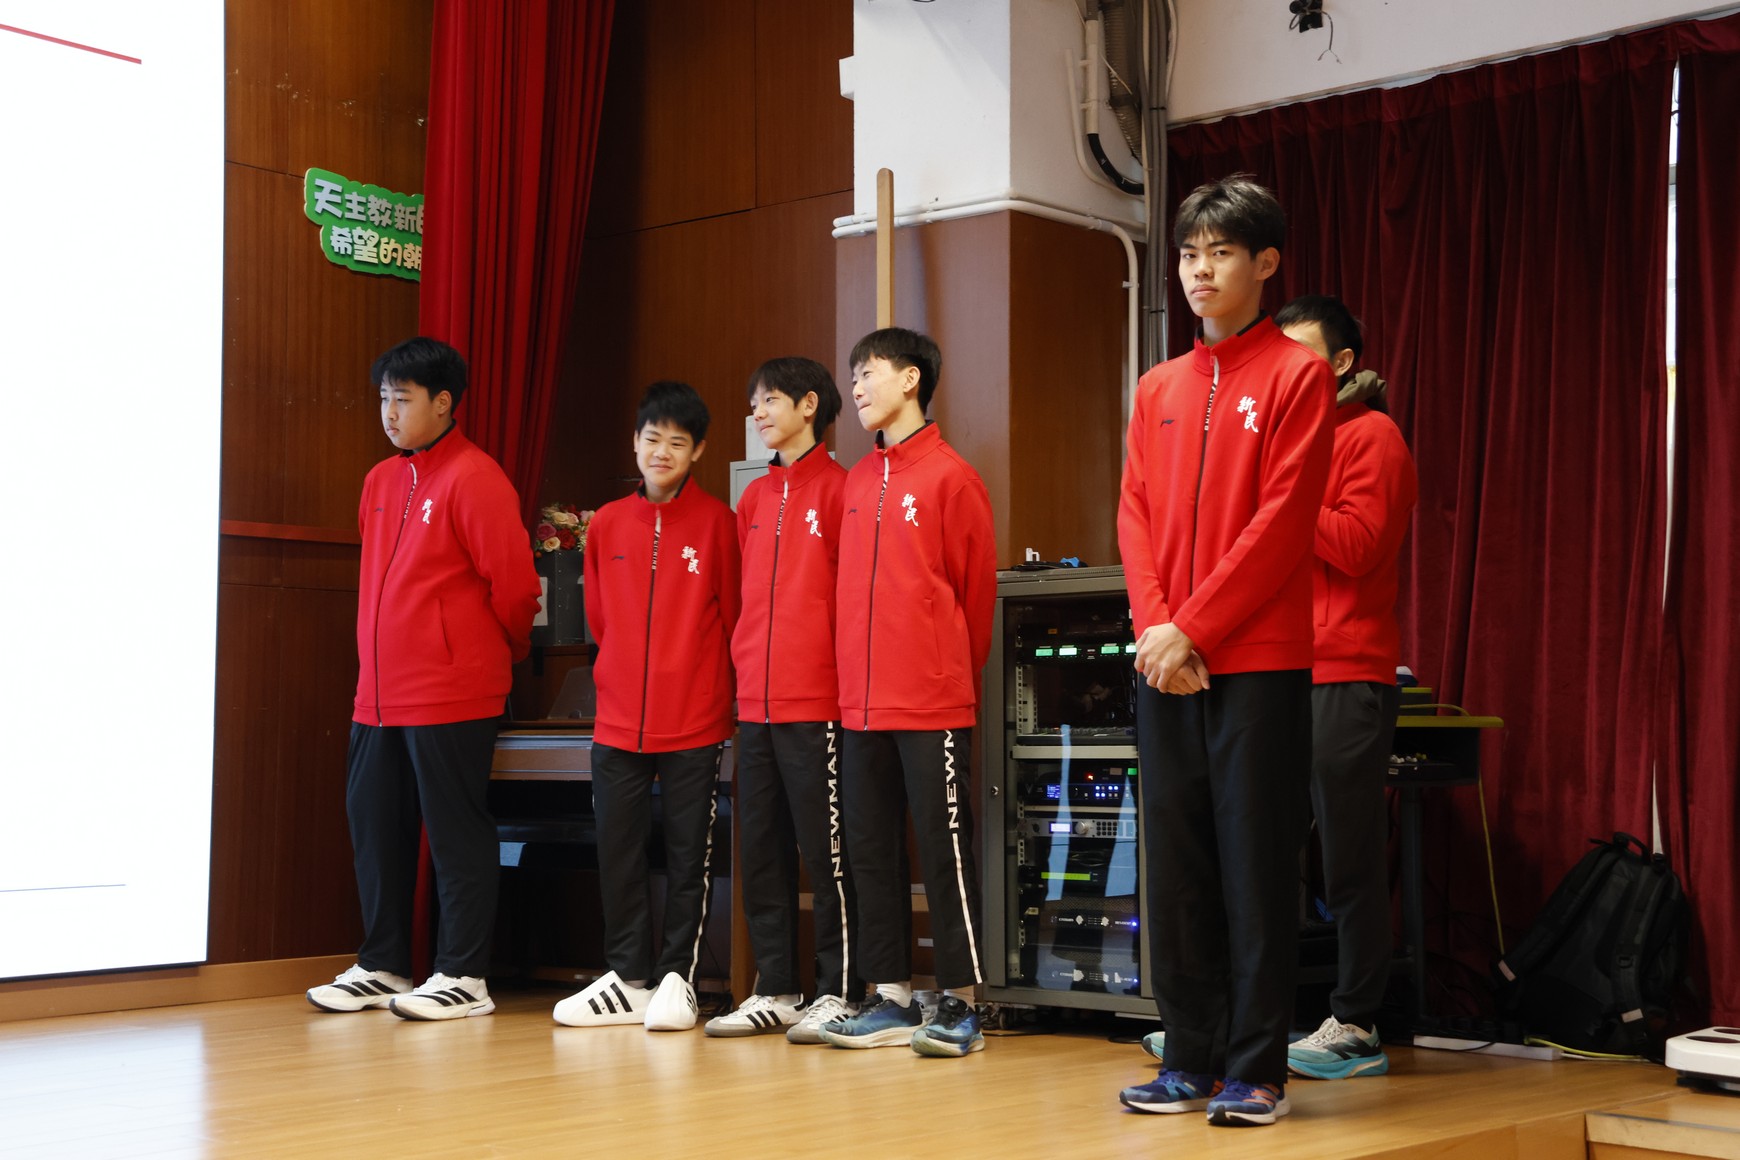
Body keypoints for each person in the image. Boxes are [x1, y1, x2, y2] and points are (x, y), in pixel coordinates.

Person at [1115, 176, 1334, 1126]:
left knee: (1255, 867)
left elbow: (1283, 522)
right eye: (1189, 254)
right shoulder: (1158, 386)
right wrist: (1158, 628)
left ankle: (1256, 1068)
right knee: (1178, 867)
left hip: (1258, 660)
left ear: (1266, 263)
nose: (1199, 271)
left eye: (1221, 253)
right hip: (1167, 660)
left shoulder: (1297, 375)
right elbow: (1133, 513)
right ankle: (1188, 1057)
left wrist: (1193, 627)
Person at [306, 336, 542, 1021]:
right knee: (375, 827)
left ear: (443, 403)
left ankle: (464, 976)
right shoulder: (380, 481)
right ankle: (383, 964)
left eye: (402, 399)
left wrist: (491, 652)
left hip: (452, 690)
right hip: (378, 696)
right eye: (383, 397)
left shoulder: (476, 477)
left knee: (455, 831)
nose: (389, 412)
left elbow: (516, 588)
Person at [816, 327, 998, 1059]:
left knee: (945, 852)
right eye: (854, 375)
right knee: (870, 851)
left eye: (870, 372)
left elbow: (974, 596)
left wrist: (948, 675)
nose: (857, 387)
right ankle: (889, 995)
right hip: (860, 704)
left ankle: (963, 1002)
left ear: (912, 379)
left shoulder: (953, 477)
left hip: (931, 699)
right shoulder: (858, 480)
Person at [553, 381, 741, 1032]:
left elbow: (734, 617)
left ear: (698, 451)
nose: (662, 452)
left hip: (695, 718)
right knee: (619, 852)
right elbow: (600, 619)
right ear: (635, 442)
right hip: (617, 720)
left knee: (690, 858)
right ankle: (627, 978)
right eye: (652, 439)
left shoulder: (718, 523)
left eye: (677, 443)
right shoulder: (606, 523)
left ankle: (677, 978)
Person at [1273, 294, 1418, 1080]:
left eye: (1303, 355)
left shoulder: (1372, 437)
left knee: (1348, 858)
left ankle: (1356, 1022)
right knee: (1259, 848)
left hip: (1346, 670)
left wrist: (1286, 499)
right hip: (1274, 669)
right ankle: (1247, 1021)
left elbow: (1359, 546)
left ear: (1342, 363)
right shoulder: (1284, 442)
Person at [704, 357, 863, 1043]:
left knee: (827, 853)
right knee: (761, 849)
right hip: (755, 703)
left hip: (817, 700)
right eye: (754, 403)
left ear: (809, 405)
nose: (758, 413)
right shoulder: (754, 499)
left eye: (769, 400)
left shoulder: (843, 489)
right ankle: (776, 986)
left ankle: (840, 989)